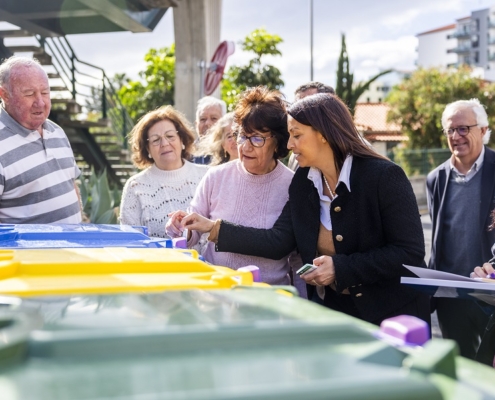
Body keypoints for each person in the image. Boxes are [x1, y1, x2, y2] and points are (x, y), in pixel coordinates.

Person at [174, 93, 429, 325]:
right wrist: (212, 228)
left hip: (394, 318)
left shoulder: (384, 176)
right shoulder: (303, 183)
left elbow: (410, 252)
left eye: (296, 135)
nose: (290, 146)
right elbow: (279, 241)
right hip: (334, 315)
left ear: (324, 134)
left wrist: (341, 268)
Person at [166, 86, 306, 296]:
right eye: (241, 136)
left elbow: (296, 258)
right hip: (217, 294)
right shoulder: (216, 176)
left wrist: (303, 303)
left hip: (271, 298)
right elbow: (193, 231)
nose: (245, 147)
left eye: (257, 139)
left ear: (278, 143)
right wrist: (181, 227)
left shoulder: (292, 185)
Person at [426, 98, 495, 360]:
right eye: (450, 130)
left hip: (490, 295)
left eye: (463, 128)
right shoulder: (435, 179)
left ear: (483, 130)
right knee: (461, 370)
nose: (456, 136)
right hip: (451, 297)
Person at [0, 56, 82, 223]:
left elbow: (70, 184)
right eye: (29, 94)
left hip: (73, 246)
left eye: (45, 92)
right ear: (4, 95)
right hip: (27, 250)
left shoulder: (57, 131)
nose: (40, 102)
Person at [120, 105, 208, 238]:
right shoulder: (135, 186)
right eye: (155, 140)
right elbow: (130, 241)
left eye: (170, 136)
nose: (164, 143)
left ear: (182, 140)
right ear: (147, 150)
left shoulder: (208, 176)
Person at [287, 82, 335, 171]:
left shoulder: (360, 162)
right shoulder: (295, 158)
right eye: (295, 105)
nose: (297, 113)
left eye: (306, 107)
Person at [192, 96, 226, 165]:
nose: (207, 123)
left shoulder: (232, 151)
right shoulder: (186, 153)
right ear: (196, 124)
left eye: (214, 118)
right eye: (203, 119)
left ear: (224, 123)